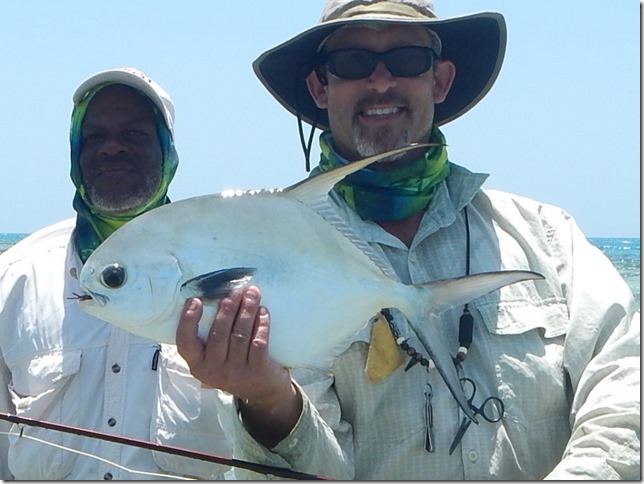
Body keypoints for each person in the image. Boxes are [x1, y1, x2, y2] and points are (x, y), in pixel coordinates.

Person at [175, 0, 640, 480]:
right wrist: (269, 401)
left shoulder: (549, 235)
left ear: (439, 80)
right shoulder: (265, 262)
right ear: (319, 87)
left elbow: (627, 386)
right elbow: (323, 472)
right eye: (352, 63)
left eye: (407, 60)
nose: (381, 82)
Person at [0, 67, 231, 480]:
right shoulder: (15, 278)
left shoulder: (224, 272)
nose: (112, 149)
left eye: (134, 134)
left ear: (168, 150)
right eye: (94, 137)